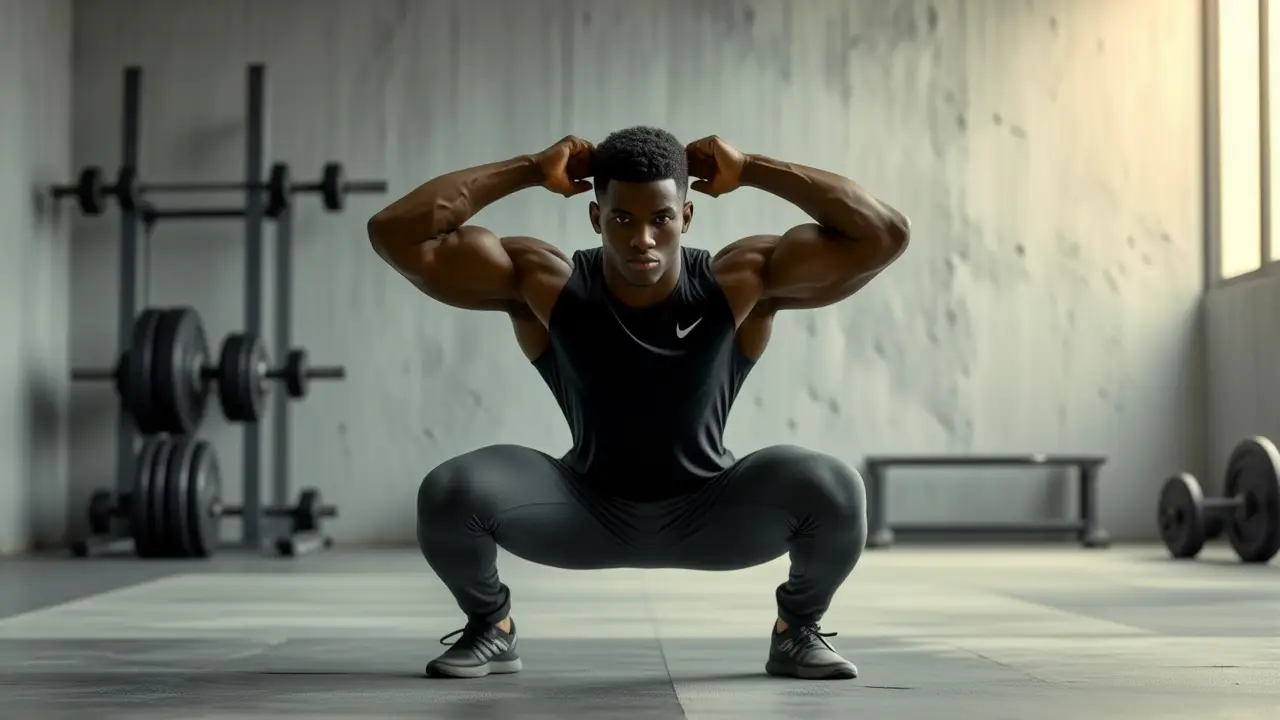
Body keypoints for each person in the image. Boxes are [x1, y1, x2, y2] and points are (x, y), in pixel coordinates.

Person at [367, 127, 910, 681]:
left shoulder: (740, 281)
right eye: (623, 218)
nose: (643, 238)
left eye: (661, 219)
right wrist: (529, 168)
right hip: (582, 509)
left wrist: (752, 167)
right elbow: (395, 233)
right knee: (451, 491)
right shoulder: (546, 283)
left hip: (714, 510)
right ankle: (492, 625)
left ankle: (796, 629)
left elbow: (884, 234)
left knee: (836, 488)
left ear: (687, 217)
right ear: (596, 217)